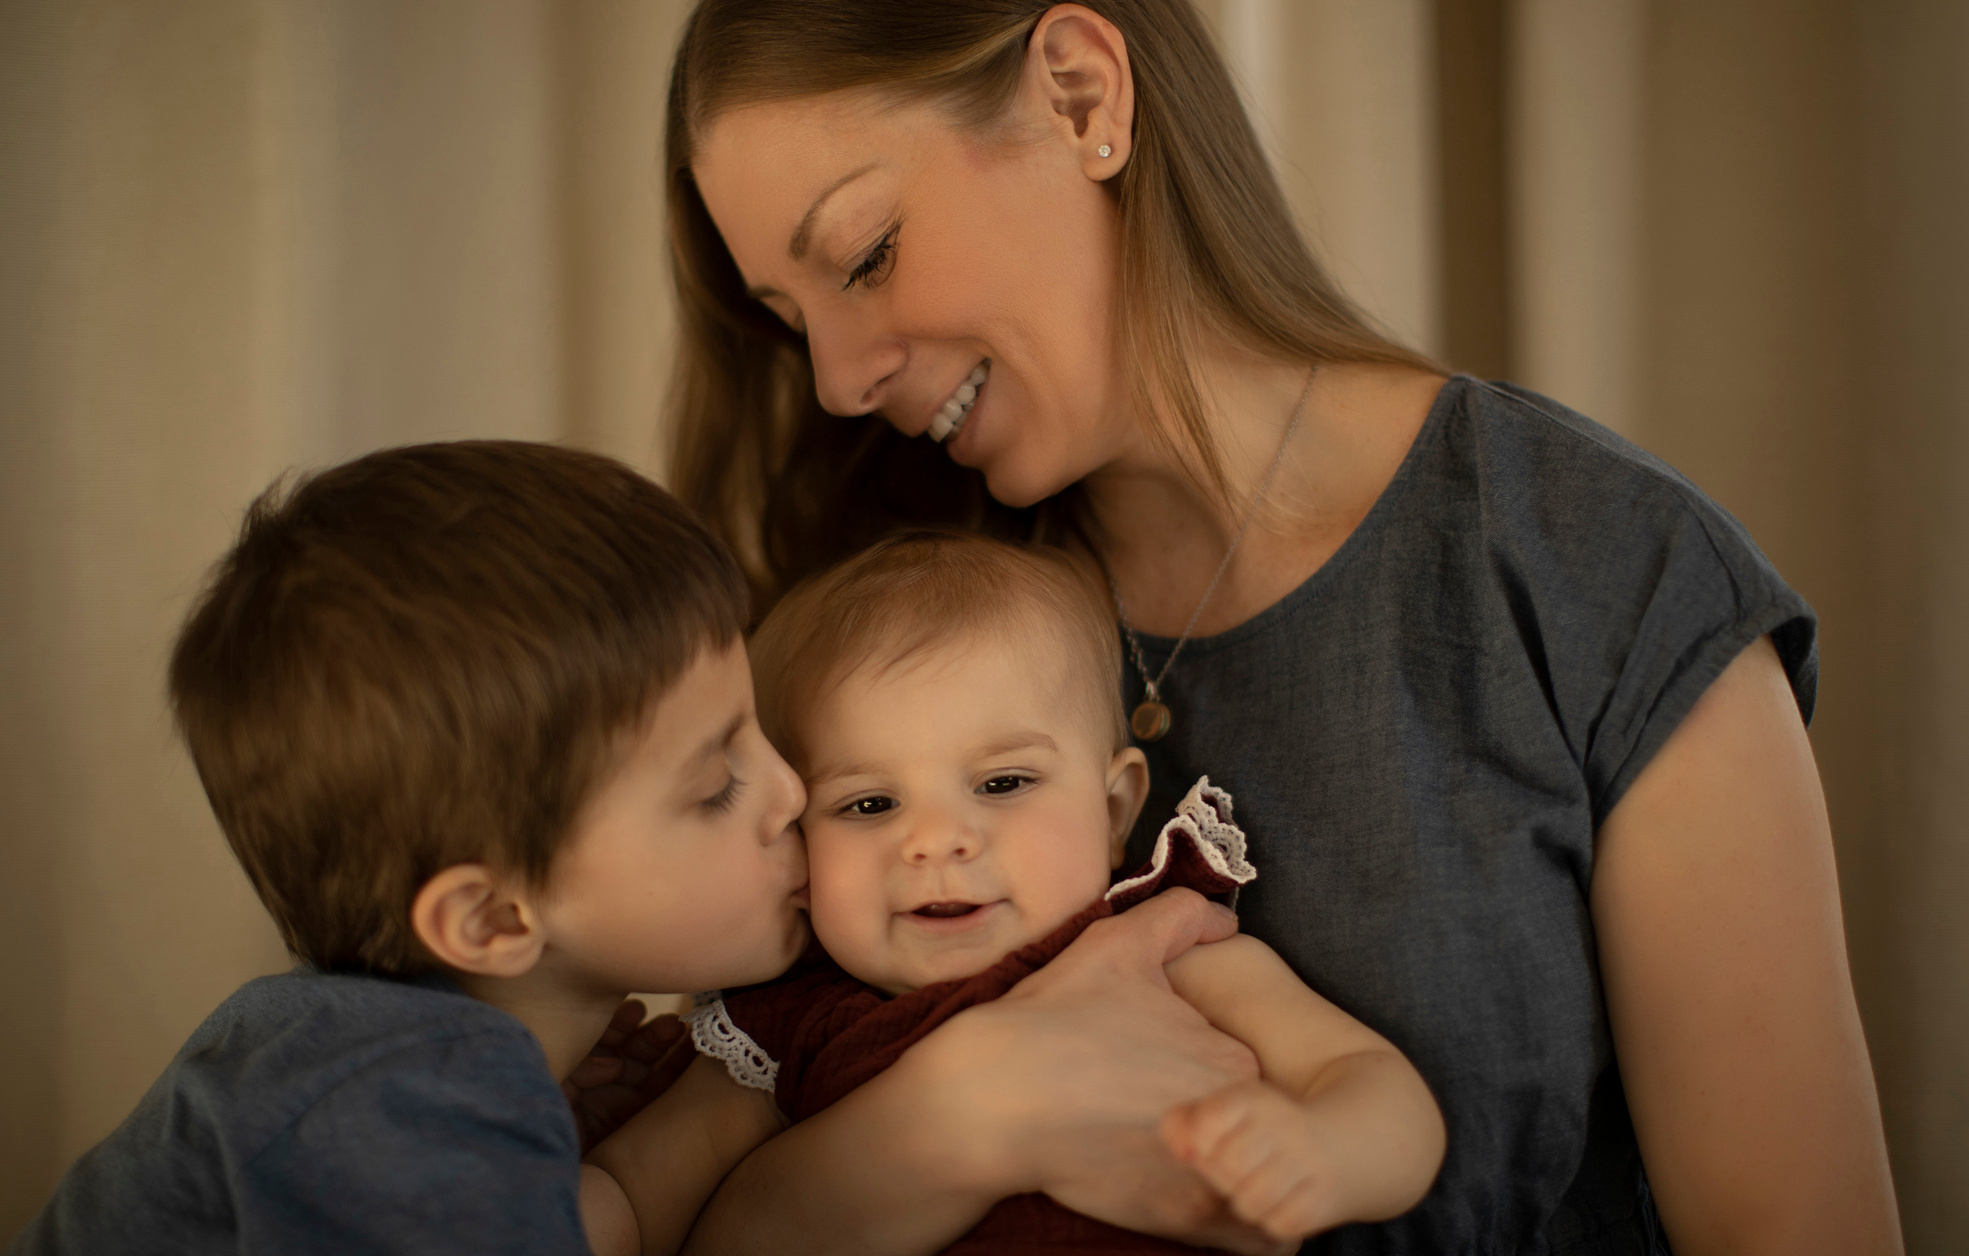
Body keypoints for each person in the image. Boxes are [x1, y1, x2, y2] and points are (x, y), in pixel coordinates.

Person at [652, 2, 1903, 1252]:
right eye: (790, 319)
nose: (836, 380)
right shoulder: (857, 635)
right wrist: (969, 1109)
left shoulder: (1597, 573)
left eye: (865, 255)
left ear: (1081, 96)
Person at [11, 443, 813, 1255]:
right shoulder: (395, 1104)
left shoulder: (362, 1059)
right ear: (492, 918)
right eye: (717, 784)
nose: (792, 792)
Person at [645, 531, 1443, 1252]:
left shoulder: (1167, 954)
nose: (937, 841)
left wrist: (1325, 1150)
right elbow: (633, 1206)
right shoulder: (785, 1025)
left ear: (1114, 811)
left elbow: (1373, 1084)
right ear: (796, 840)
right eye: (870, 804)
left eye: (1002, 783)